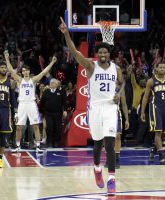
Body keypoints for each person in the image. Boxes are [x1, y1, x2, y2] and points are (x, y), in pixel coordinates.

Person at [59, 17, 124, 196]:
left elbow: (121, 83)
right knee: (97, 144)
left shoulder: (116, 69)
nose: (103, 54)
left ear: (109, 53)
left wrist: (118, 93)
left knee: (109, 144)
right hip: (95, 108)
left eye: (105, 52)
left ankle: (111, 178)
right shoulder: (90, 65)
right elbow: (74, 52)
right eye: (100, 52)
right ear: (97, 54)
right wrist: (66, 35)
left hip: (110, 108)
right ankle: (96, 169)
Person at [4, 51, 57, 153]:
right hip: (22, 104)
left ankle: (37, 146)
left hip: (32, 104)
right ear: (22, 72)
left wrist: (52, 63)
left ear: (29, 71)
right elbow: (10, 69)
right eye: (23, 70)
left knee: (35, 126)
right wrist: (7, 58)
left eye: (26, 70)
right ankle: (18, 146)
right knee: (18, 126)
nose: (25, 72)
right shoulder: (19, 80)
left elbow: (44, 72)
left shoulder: (33, 80)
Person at [140, 62, 165, 165]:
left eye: (164, 67)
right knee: (158, 132)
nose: (162, 69)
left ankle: (153, 149)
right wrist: (142, 111)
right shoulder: (151, 81)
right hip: (155, 108)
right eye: (160, 67)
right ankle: (161, 156)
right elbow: (146, 97)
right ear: (156, 69)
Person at [40, 78, 67, 147]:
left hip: (58, 113)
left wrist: (65, 110)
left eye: (53, 83)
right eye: (51, 83)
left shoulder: (61, 92)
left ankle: (56, 142)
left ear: (57, 84)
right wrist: (41, 112)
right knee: (49, 127)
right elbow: (42, 103)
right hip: (48, 113)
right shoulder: (46, 91)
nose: (51, 84)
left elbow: (64, 102)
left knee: (57, 128)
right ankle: (49, 142)